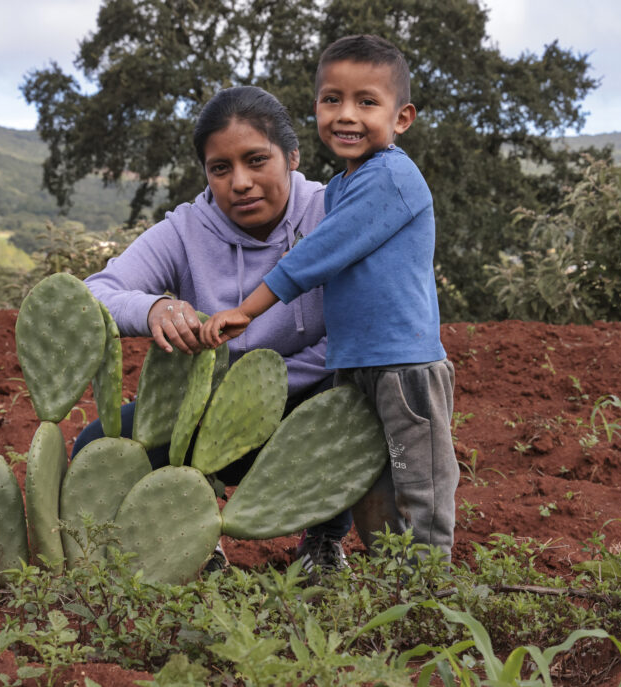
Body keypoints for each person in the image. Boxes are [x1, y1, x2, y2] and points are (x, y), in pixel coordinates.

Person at [76, 85, 352, 576]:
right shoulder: (186, 229)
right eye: (220, 169)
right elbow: (96, 291)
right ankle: (195, 542)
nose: (239, 182)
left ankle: (324, 541)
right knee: (95, 445)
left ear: (292, 156)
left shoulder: (333, 212)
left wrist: (267, 385)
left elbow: (363, 325)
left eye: (256, 160)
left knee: (361, 400)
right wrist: (155, 308)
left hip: (310, 397)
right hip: (213, 409)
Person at [201, 35, 458, 560]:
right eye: (332, 99)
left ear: (401, 117)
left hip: (403, 364)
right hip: (355, 362)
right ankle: (391, 577)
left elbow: (318, 255)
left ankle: (433, 591)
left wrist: (247, 310)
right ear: (315, 107)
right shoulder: (342, 186)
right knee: (363, 479)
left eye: (367, 102)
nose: (347, 115)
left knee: (420, 484)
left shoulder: (393, 176)